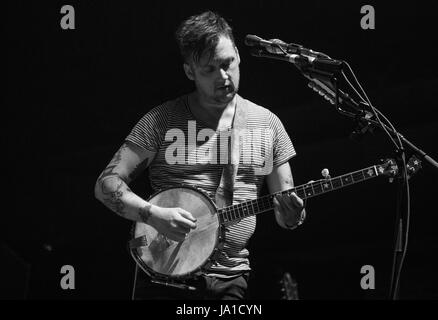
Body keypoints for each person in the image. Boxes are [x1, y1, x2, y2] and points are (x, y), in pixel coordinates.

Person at [94, 10, 306, 300]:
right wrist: (153, 214)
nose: (223, 76)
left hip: (232, 279)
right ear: (189, 71)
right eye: (209, 69)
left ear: (238, 55)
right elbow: (106, 184)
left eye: (227, 63)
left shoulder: (268, 124)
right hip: (163, 277)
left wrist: (294, 214)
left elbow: (286, 212)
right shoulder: (162, 121)